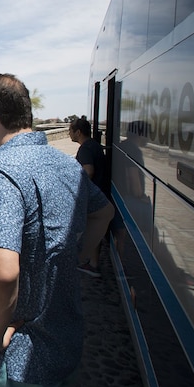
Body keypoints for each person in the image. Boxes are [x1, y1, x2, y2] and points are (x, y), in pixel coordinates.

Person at [0, 74, 114, 387]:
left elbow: (3, 271)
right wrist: (63, 263)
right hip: (63, 348)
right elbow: (104, 213)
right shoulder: (65, 164)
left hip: (12, 369)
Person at [69, 116, 113, 277]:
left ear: (78, 132)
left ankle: (93, 264)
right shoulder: (94, 145)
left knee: (91, 227)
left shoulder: (85, 149)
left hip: (93, 194)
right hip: (102, 191)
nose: (69, 134)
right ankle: (93, 261)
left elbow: (88, 170)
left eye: (70, 131)